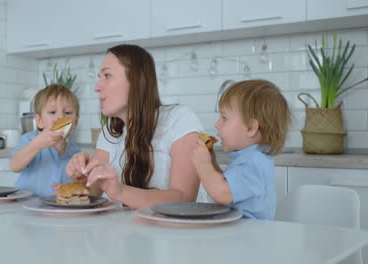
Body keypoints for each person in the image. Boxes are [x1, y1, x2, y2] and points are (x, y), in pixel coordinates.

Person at [62, 44, 203, 209]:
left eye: (107, 75)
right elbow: (92, 193)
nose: (97, 87)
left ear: (135, 80)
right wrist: (82, 179)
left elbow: (184, 199)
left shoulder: (180, 119)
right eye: (99, 77)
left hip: (177, 233)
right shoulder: (110, 131)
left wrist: (120, 191)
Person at [191, 80, 291, 219]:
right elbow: (227, 185)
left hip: (251, 236)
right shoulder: (249, 159)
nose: (217, 124)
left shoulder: (254, 162)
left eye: (224, 118)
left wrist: (204, 165)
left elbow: (222, 194)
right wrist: (212, 163)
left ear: (250, 128)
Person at [10, 83, 80, 197]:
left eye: (67, 113)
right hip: (24, 207)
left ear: (75, 122)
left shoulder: (76, 154)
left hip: (55, 210)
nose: (60, 117)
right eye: (52, 112)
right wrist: (37, 145)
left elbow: (79, 186)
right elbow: (14, 166)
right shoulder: (31, 139)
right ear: (39, 121)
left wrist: (71, 190)